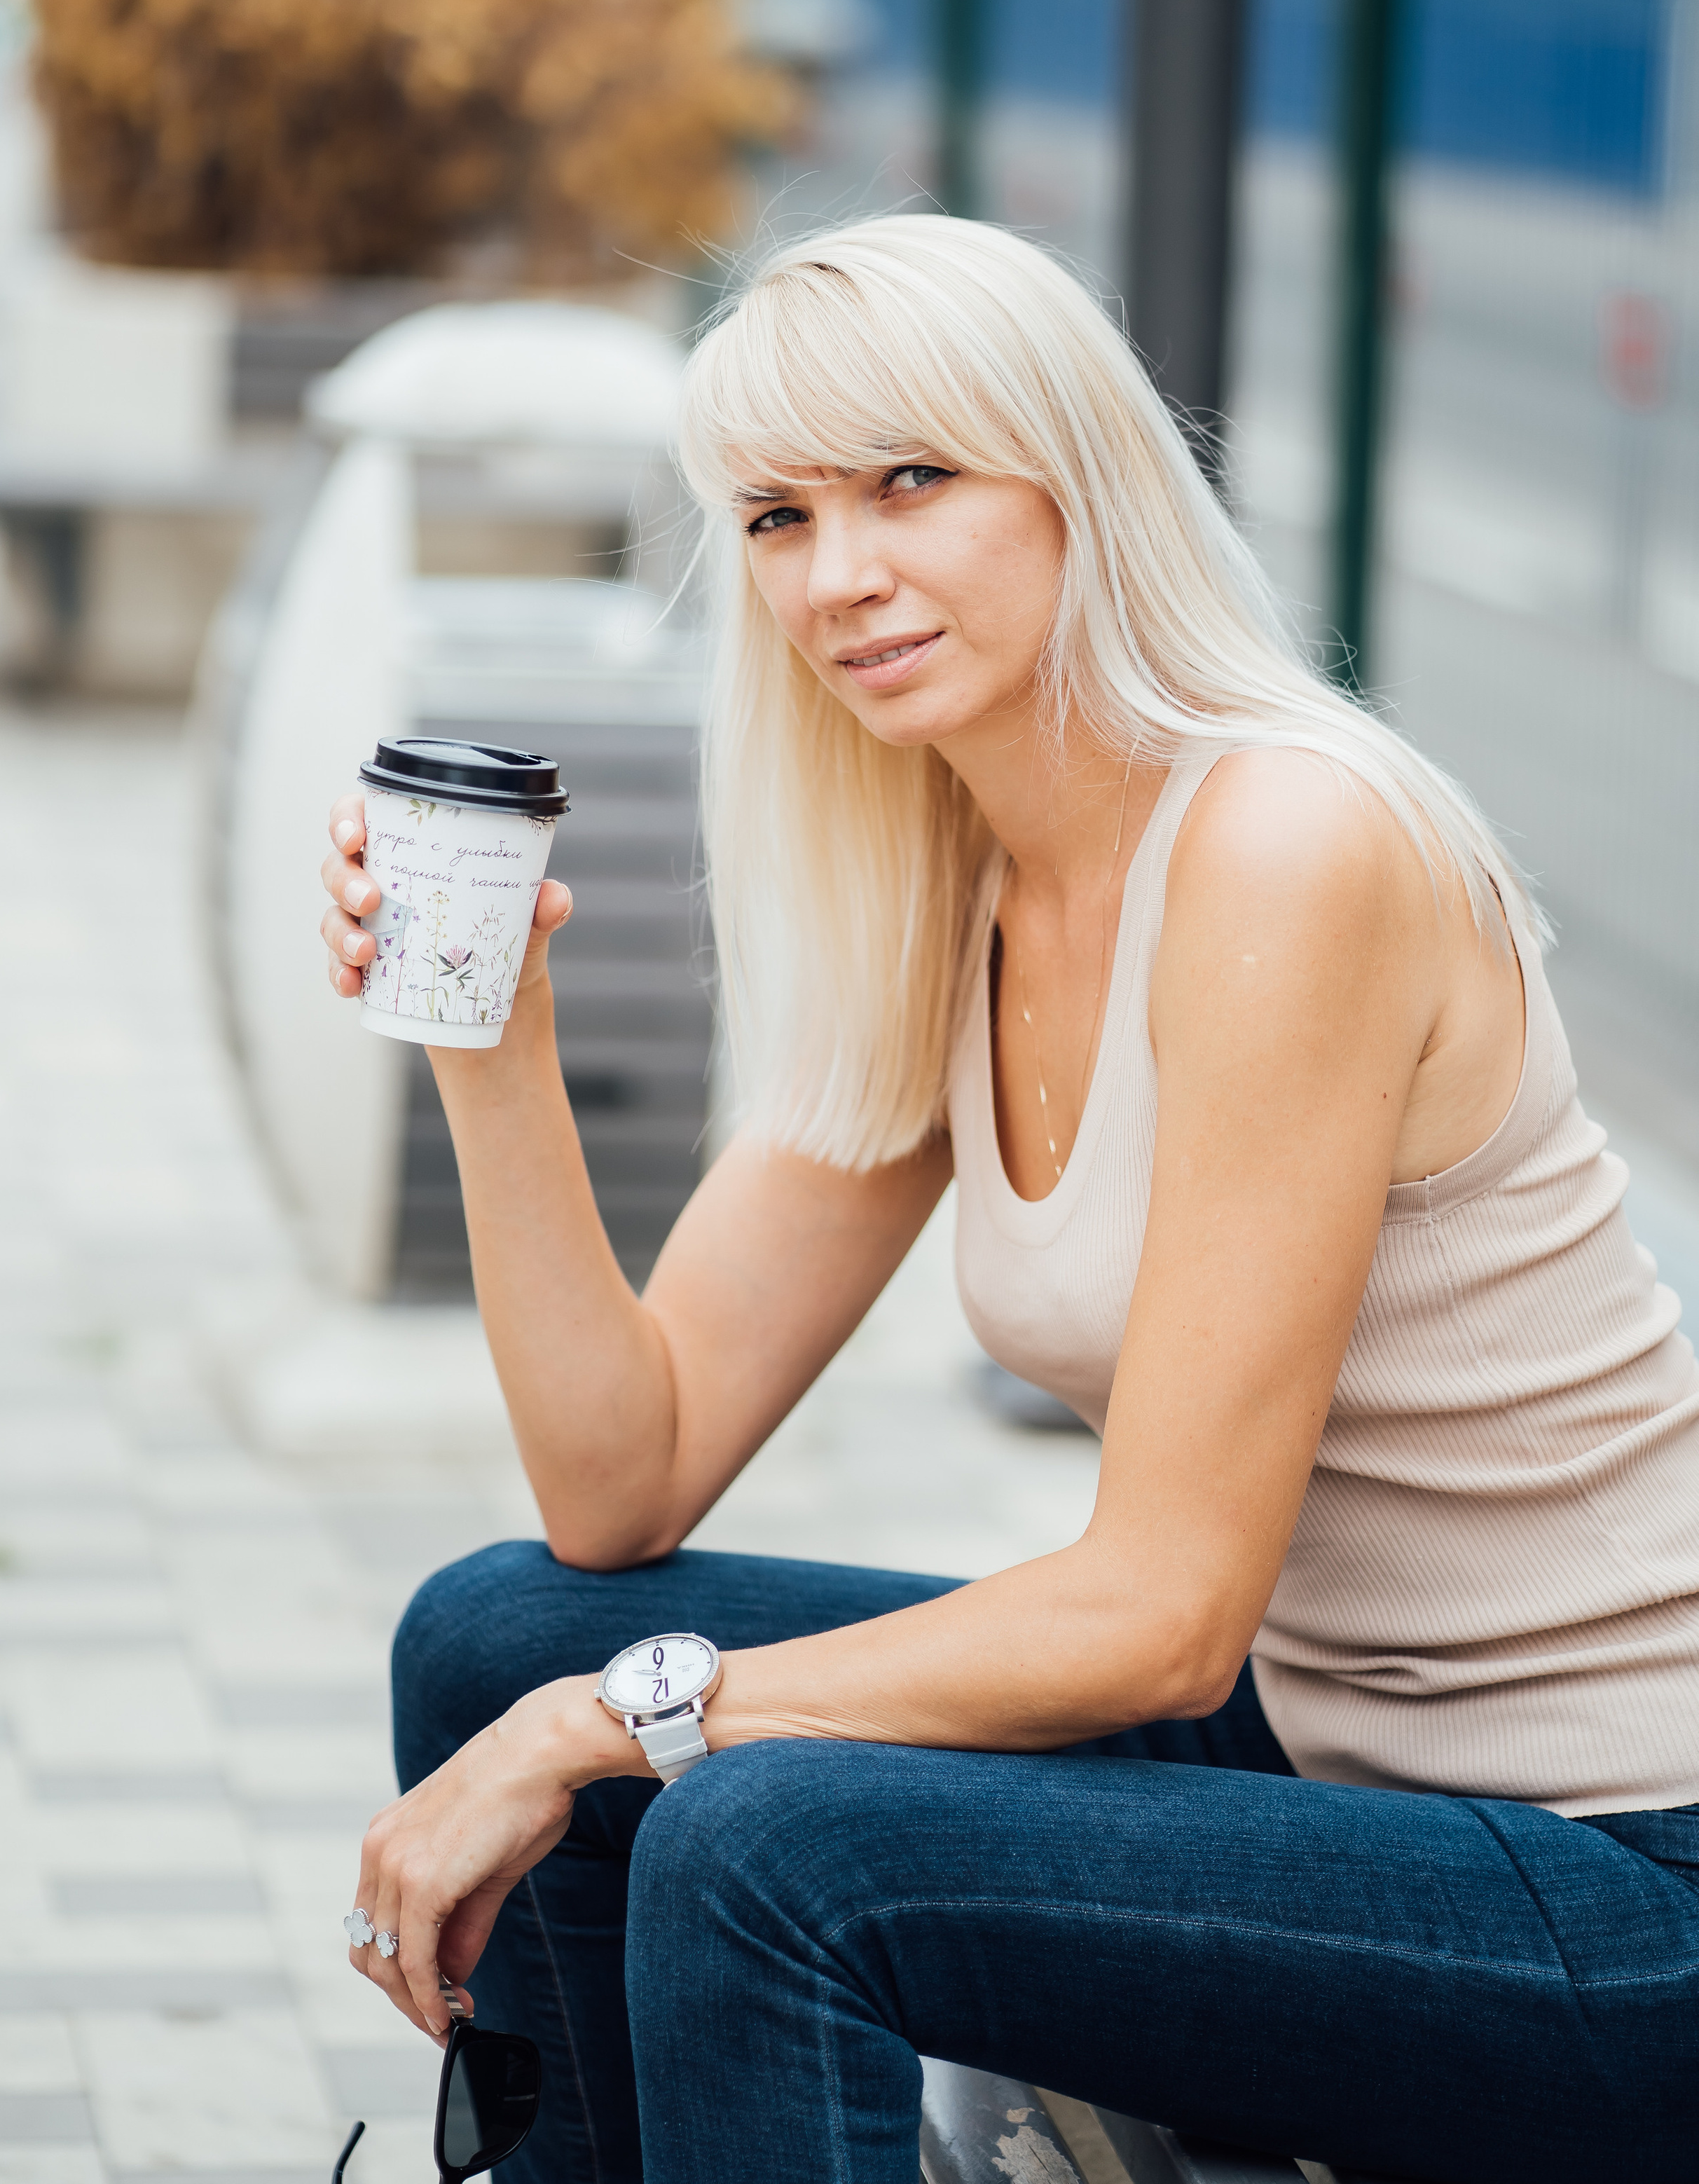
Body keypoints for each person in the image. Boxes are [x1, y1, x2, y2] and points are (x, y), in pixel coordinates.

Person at [318, 217, 1699, 2184]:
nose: (840, 575)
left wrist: (591, 1731)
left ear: (1080, 482)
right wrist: (491, 1042)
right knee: (496, 1629)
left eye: (912, 481)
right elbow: (621, 1484)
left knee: (757, 1834)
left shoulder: (1290, 846)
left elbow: (1159, 1619)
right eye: (780, 516)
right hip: (1321, 1765)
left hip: (1623, 1880)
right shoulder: (953, 878)